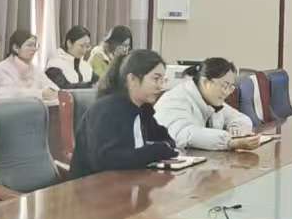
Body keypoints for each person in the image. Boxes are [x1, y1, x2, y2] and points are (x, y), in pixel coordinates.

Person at [68, 49, 178, 178]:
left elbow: (165, 140)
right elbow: (106, 160)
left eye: (162, 80)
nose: (160, 86)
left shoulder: (142, 109)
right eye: (156, 79)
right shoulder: (108, 110)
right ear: (132, 79)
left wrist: (163, 147)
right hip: (92, 185)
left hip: (127, 181)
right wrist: (154, 152)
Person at [155, 58, 260, 152]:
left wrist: (236, 130)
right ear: (205, 82)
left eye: (231, 87)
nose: (227, 92)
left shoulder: (212, 101)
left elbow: (242, 118)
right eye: (225, 85)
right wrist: (229, 142)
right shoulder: (176, 99)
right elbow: (183, 133)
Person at [0, 30, 59, 103]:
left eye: (35, 45)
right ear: (16, 48)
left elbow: (52, 86)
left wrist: (50, 91)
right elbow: (12, 93)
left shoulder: (35, 68)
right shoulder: (3, 68)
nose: (34, 49)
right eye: (29, 45)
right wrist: (40, 93)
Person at [46, 26, 96, 90]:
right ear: (69, 43)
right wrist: (90, 86)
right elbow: (64, 87)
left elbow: (99, 83)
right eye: (81, 46)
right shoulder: (54, 65)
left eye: (87, 46)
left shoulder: (85, 66)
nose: (84, 51)